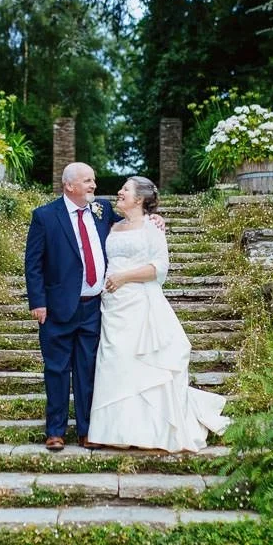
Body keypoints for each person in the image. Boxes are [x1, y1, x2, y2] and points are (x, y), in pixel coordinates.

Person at [87, 176, 230, 452]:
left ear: (139, 199)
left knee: (143, 366)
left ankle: (150, 431)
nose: (119, 192)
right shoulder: (111, 225)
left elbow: (160, 268)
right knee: (115, 363)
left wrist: (125, 277)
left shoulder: (152, 228)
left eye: (125, 190)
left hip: (141, 304)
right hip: (113, 306)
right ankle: (113, 430)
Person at [24, 162, 119, 451]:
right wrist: (38, 302)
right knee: (56, 369)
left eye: (93, 180)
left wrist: (155, 220)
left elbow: (129, 224)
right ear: (69, 185)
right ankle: (55, 431)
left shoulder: (102, 210)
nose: (94, 185)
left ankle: (87, 430)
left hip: (93, 307)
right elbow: (34, 263)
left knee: (88, 369)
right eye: (87, 181)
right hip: (57, 308)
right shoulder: (45, 216)